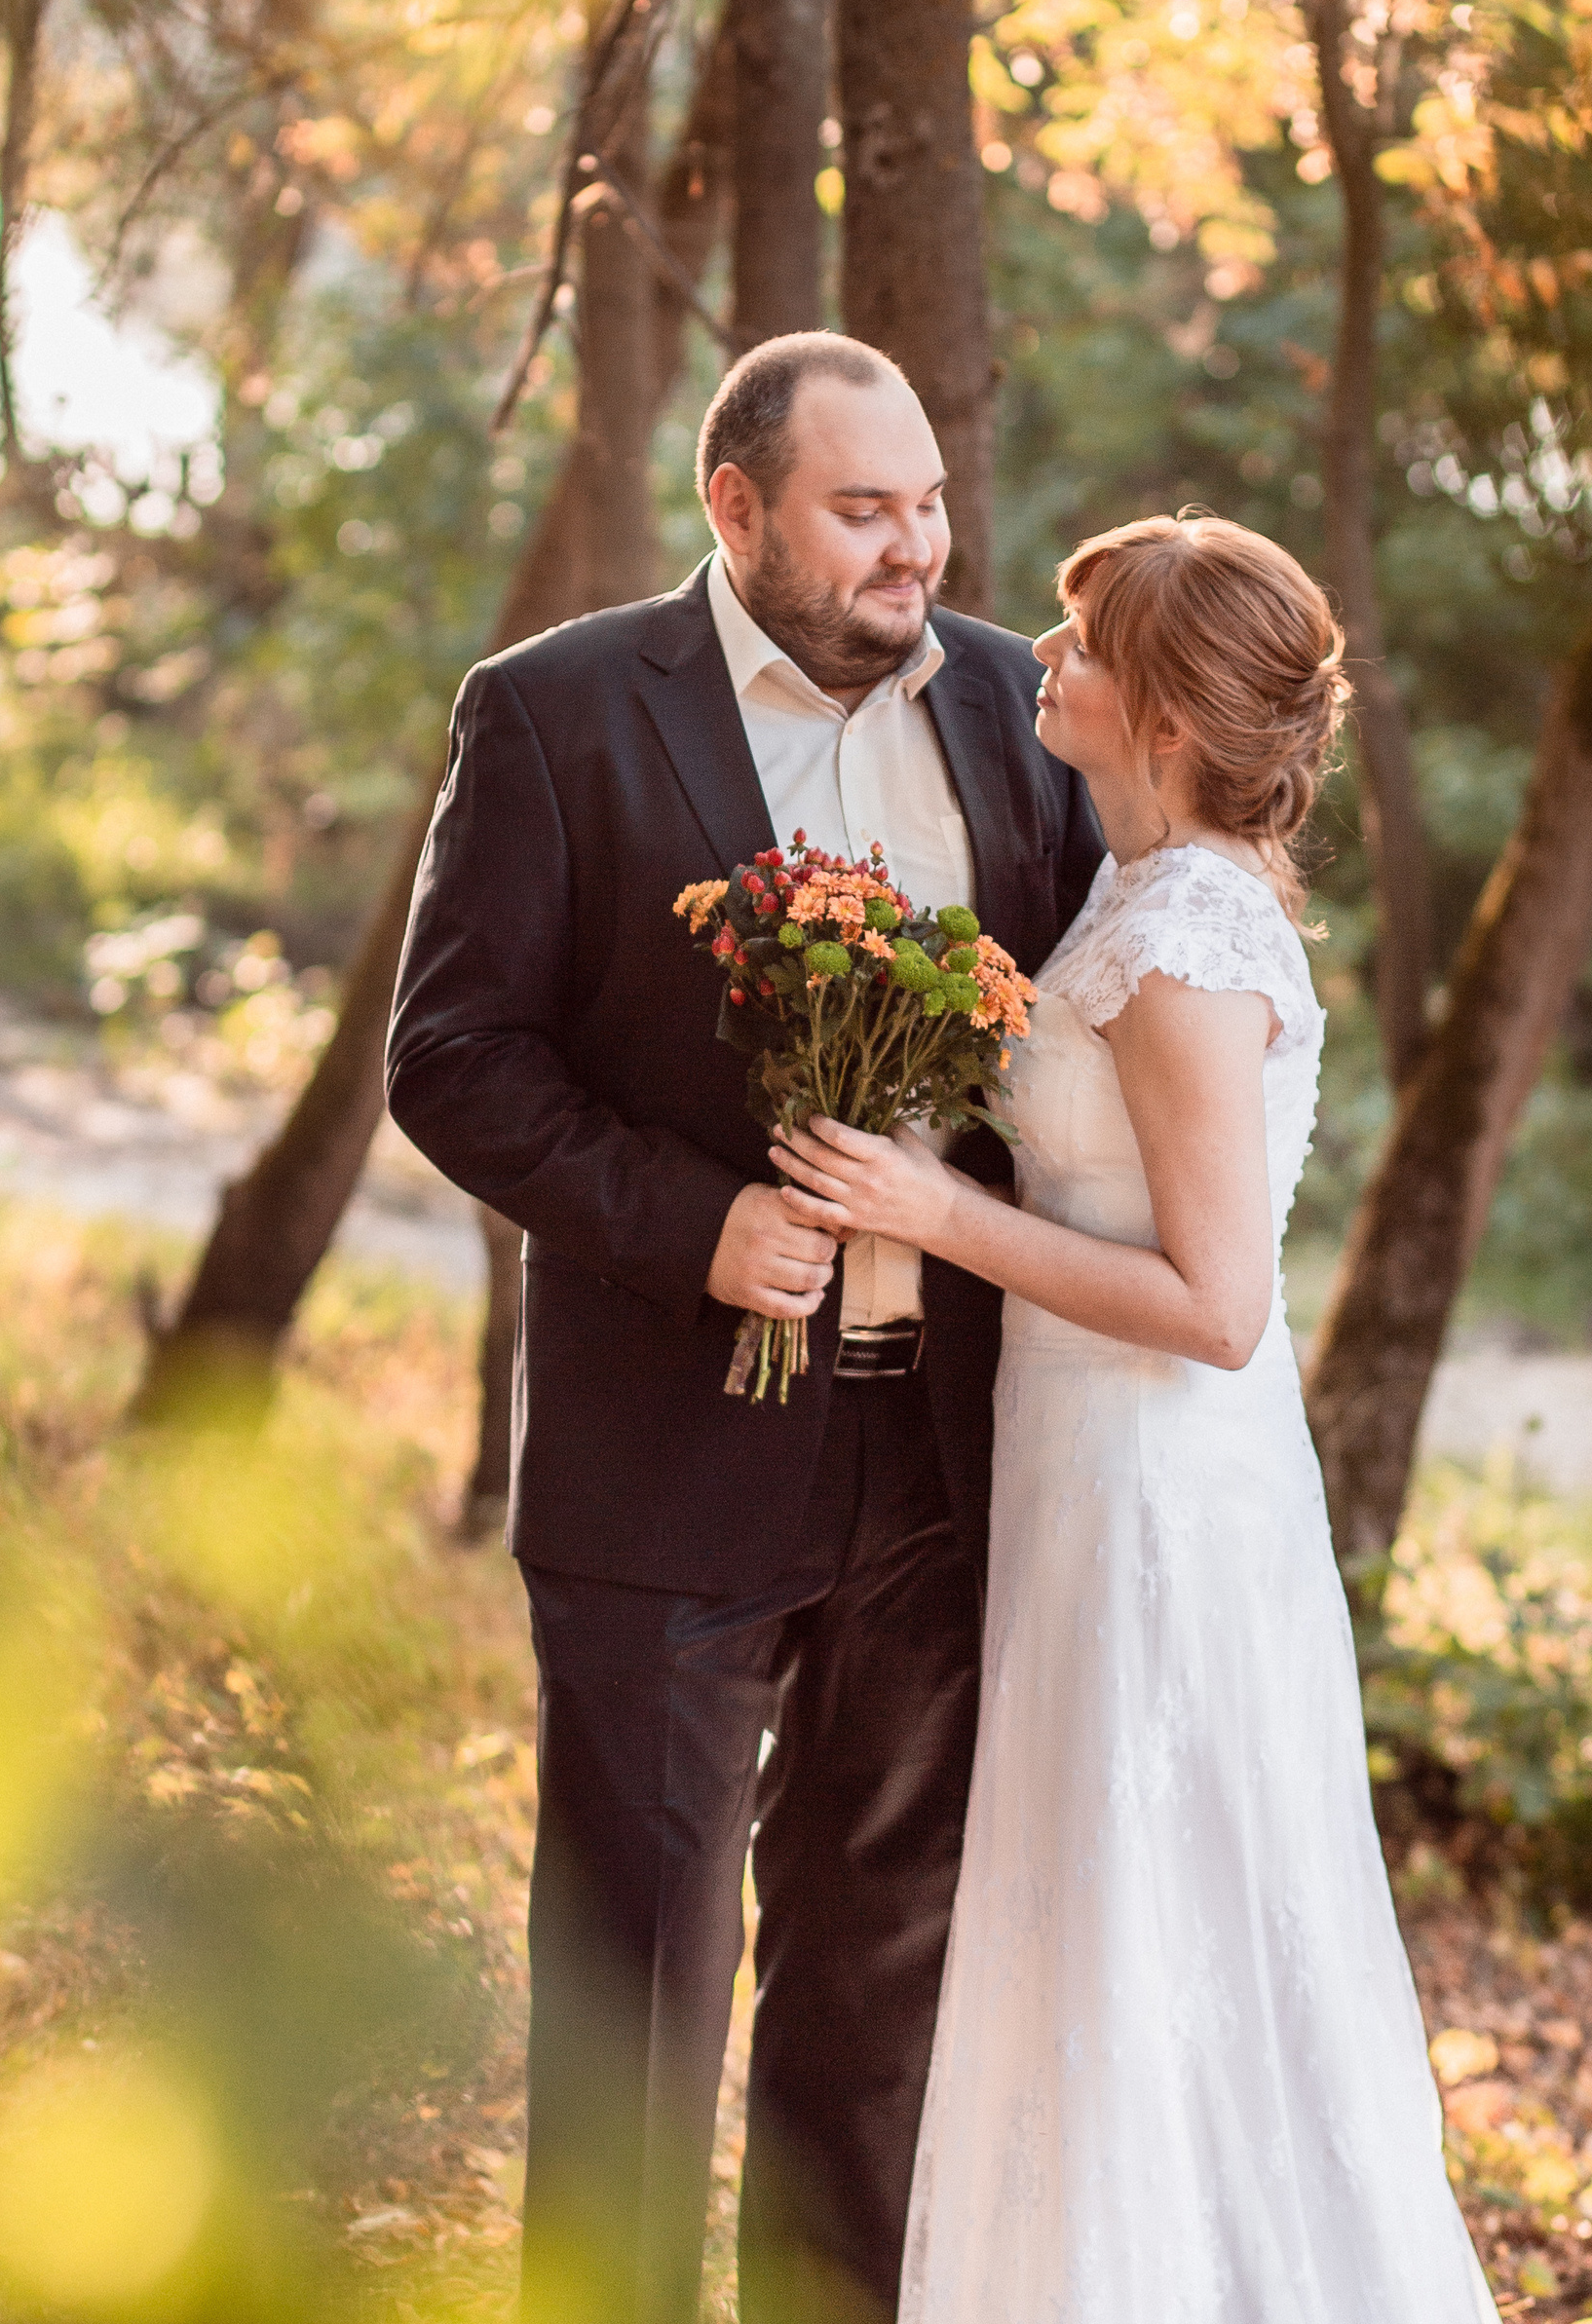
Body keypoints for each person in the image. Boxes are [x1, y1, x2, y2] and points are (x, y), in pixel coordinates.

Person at [387, 333, 1104, 2324]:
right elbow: (450, 1057)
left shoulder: (1018, 713)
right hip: (659, 1459)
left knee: (870, 2020)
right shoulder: (552, 715)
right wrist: (690, 1225)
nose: (911, 549)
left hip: (938, 1467)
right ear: (733, 507)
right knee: (628, 2010)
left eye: (927, 506)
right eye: (859, 510)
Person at [771, 513, 1501, 2322]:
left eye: (1084, 643)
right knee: (1100, 1900)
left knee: (1147, 1902)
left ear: (1166, 716)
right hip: (1085, 1468)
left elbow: (1220, 1309)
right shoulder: (1135, 884)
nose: (1048, 657)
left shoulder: (1186, 940)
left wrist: (939, 1217)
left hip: (1160, 1485)